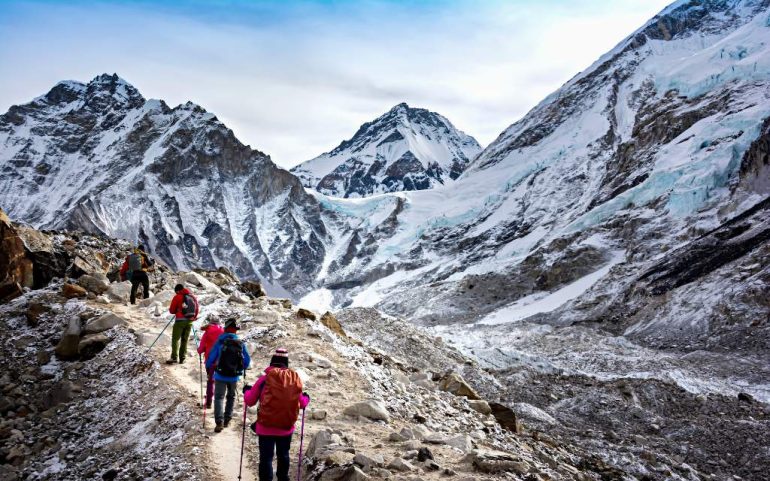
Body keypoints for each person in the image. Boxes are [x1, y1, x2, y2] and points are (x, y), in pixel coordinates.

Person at [243, 348, 310, 481]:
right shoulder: (294, 380)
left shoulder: (264, 379)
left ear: (272, 361)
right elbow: (302, 403)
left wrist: (246, 391)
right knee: (283, 455)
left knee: (266, 458)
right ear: (286, 362)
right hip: (286, 427)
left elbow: (250, 401)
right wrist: (307, 398)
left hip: (265, 426)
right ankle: (283, 478)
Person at [206, 318, 251, 432]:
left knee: (219, 397)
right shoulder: (240, 343)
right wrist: (242, 367)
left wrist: (209, 365)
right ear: (235, 331)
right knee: (231, 397)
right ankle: (227, 419)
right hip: (234, 376)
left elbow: (212, 356)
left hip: (220, 374)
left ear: (225, 329)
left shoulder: (220, 341)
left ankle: (219, 422)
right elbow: (247, 360)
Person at [166, 283, 199, 365]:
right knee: (184, 340)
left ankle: (174, 357)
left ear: (177, 291)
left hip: (180, 321)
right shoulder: (192, 297)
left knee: (175, 339)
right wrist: (193, 318)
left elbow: (172, 310)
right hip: (190, 321)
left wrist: (178, 310)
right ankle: (182, 358)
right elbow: (197, 309)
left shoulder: (177, 296)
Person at [197, 316, 224, 408]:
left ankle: (208, 402)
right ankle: (219, 401)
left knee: (210, 380)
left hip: (210, 359)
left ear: (211, 322)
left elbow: (201, 349)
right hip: (221, 359)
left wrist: (200, 350)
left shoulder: (207, 331)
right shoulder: (223, 331)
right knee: (219, 379)